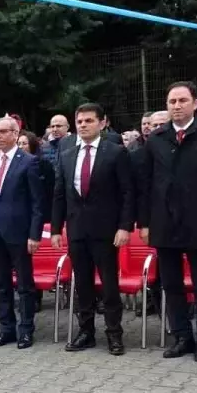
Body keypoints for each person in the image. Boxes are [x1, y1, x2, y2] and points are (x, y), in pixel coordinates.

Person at [137, 81, 197, 362]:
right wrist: (144, 223)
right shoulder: (156, 138)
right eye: (172, 102)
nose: (177, 106)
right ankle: (182, 337)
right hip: (164, 223)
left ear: (195, 103)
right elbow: (145, 184)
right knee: (171, 285)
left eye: (182, 101)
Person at [51, 103, 135, 355]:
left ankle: (114, 333)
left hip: (106, 231)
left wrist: (124, 227)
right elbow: (59, 194)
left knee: (108, 285)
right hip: (77, 230)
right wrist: (56, 229)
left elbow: (127, 192)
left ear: (102, 123)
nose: (83, 125)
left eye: (89, 121)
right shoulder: (67, 154)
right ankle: (86, 331)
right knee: (82, 284)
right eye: (79, 121)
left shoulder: (116, 152)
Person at [0, 115, 44, 348]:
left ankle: (26, 329)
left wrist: (34, 235)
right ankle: (7, 328)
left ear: (15, 134)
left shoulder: (28, 162)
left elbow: (37, 202)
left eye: (3, 132)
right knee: (2, 284)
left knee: (24, 284)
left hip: (19, 232)